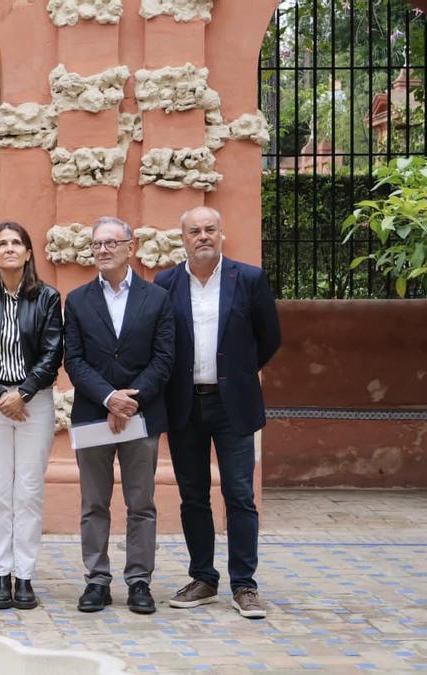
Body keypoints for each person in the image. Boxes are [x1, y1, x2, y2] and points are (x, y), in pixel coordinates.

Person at [156, 205, 281, 620]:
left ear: (221, 233)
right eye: (195, 230)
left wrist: (237, 375)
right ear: (184, 237)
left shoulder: (248, 279)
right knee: (193, 496)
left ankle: (244, 584)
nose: (203, 236)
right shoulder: (166, 283)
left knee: (240, 495)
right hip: (185, 403)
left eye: (210, 229)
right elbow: (162, 342)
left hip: (234, 405)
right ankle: (204, 578)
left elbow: (269, 339)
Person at [63, 216, 174, 615]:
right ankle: (97, 580)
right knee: (94, 503)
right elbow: (73, 360)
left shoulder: (157, 298)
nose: (104, 250)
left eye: (112, 242)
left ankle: (139, 580)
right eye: (97, 244)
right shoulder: (76, 300)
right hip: (93, 413)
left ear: (131, 246)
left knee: (141, 502)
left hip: (141, 415)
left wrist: (131, 400)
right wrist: (109, 398)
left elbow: (165, 358)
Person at [0, 222, 63, 611]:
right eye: (2, 244)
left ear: (28, 252)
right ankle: (1, 574)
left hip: (33, 401)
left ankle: (25, 577)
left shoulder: (48, 298)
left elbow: (53, 352)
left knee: (30, 490)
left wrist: (22, 393)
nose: (9, 249)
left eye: (16, 243)